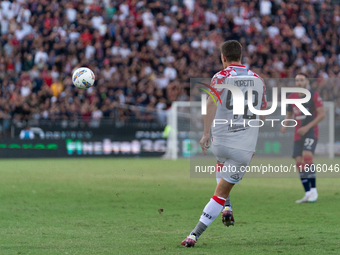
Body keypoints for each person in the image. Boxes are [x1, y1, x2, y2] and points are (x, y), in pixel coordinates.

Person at [181, 40, 267, 247]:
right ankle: (194, 235)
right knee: (220, 192)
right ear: (241, 56)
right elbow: (262, 116)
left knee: (221, 164)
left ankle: (227, 207)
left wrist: (205, 133)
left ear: (223, 58)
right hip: (243, 148)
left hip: (219, 142)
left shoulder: (220, 76)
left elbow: (211, 102)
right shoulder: (258, 79)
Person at [280, 73, 325, 203]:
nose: (299, 82)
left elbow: (322, 114)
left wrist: (307, 127)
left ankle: (314, 190)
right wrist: (285, 125)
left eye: (301, 80)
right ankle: (307, 192)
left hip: (311, 132)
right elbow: (289, 113)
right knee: (299, 162)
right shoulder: (292, 97)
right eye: (297, 80)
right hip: (297, 134)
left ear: (306, 81)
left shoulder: (314, 95)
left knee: (307, 157)